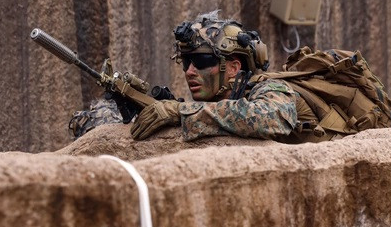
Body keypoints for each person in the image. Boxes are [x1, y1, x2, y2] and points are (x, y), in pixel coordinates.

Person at [129, 10, 301, 142]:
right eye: (186, 61)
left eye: (202, 61)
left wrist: (180, 111)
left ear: (233, 68)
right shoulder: (214, 104)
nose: (190, 71)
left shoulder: (271, 88)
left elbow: (273, 118)